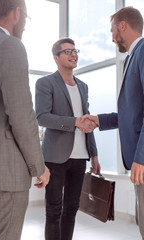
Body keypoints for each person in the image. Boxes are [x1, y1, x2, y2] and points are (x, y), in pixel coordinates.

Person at [0, 0, 50, 239]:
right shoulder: (9, 45)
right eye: (25, 17)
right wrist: (39, 166)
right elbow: (21, 114)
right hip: (7, 171)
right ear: (16, 13)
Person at [81, 6, 144, 239]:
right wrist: (99, 120)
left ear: (123, 26)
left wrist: (141, 157)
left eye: (112, 30)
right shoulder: (132, 58)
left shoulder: (143, 52)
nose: (112, 37)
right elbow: (133, 114)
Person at [35, 37, 100, 240]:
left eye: (75, 51)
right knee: (53, 210)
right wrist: (74, 122)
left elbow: (87, 120)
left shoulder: (83, 86)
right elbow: (42, 117)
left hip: (80, 157)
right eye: (68, 52)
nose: (74, 54)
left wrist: (94, 154)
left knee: (72, 208)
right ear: (56, 57)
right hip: (55, 157)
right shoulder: (45, 83)